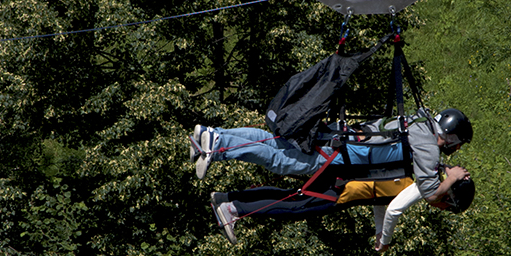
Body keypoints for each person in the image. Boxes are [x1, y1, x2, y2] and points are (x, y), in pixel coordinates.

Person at [190, 107, 473, 204]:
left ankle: (215, 134)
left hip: (341, 134)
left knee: (277, 142)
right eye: (457, 144)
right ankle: (218, 148)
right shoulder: (428, 146)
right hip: (341, 153)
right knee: (279, 160)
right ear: (450, 137)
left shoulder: (418, 121)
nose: (454, 149)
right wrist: (454, 177)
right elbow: (430, 193)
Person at [209, 170, 475, 246]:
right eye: (446, 206)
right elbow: (395, 209)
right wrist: (387, 240)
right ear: (448, 197)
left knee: (292, 195)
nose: (440, 207)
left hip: (344, 175)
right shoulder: (426, 184)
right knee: (294, 208)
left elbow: (381, 200)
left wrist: (379, 232)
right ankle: (234, 209)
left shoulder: (423, 167)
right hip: (343, 190)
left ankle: (227, 197)